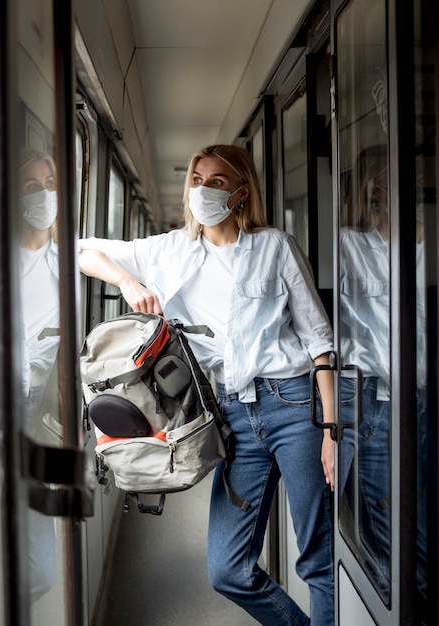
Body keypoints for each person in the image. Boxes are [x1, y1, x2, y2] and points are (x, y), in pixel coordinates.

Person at [78, 144, 335, 625]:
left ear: (241, 192)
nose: (202, 189)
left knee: (317, 557)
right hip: (231, 416)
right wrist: (128, 284)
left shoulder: (275, 246)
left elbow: (319, 343)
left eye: (217, 181)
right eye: (197, 178)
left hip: (294, 405)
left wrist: (331, 430)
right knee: (228, 570)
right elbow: (83, 252)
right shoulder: (167, 251)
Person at [339, 144, 428, 594]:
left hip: (425, 394)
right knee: (381, 517)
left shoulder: (424, 239)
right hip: (378, 398)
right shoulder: (347, 246)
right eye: (381, 185)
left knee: (423, 509)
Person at [18, 149, 60, 602]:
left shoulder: (68, 258)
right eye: (31, 185)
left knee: (40, 570)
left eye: (50, 184)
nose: (43, 194)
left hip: (38, 415)